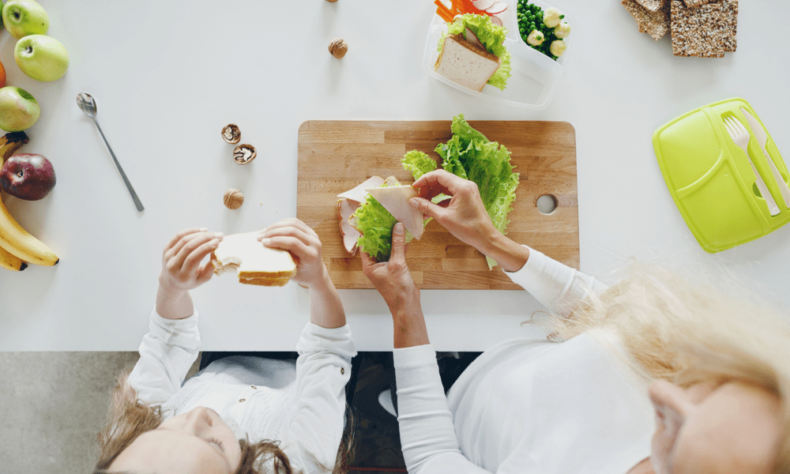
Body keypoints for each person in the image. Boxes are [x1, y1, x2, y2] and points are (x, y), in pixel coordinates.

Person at [362, 169, 789, 474]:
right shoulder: (714, 355)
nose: (659, 391)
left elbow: (433, 456)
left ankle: (392, 402)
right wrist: (493, 241)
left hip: (458, 424)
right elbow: (611, 312)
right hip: (504, 362)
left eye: (673, 435)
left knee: (393, 401)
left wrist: (405, 311)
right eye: (708, 389)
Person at [94, 219, 356, 474]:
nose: (198, 413)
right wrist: (319, 279)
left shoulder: (133, 445)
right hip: (307, 378)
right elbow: (327, 352)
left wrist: (171, 288)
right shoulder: (301, 464)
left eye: (164, 429)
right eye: (214, 444)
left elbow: (167, 342)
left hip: (224, 363)